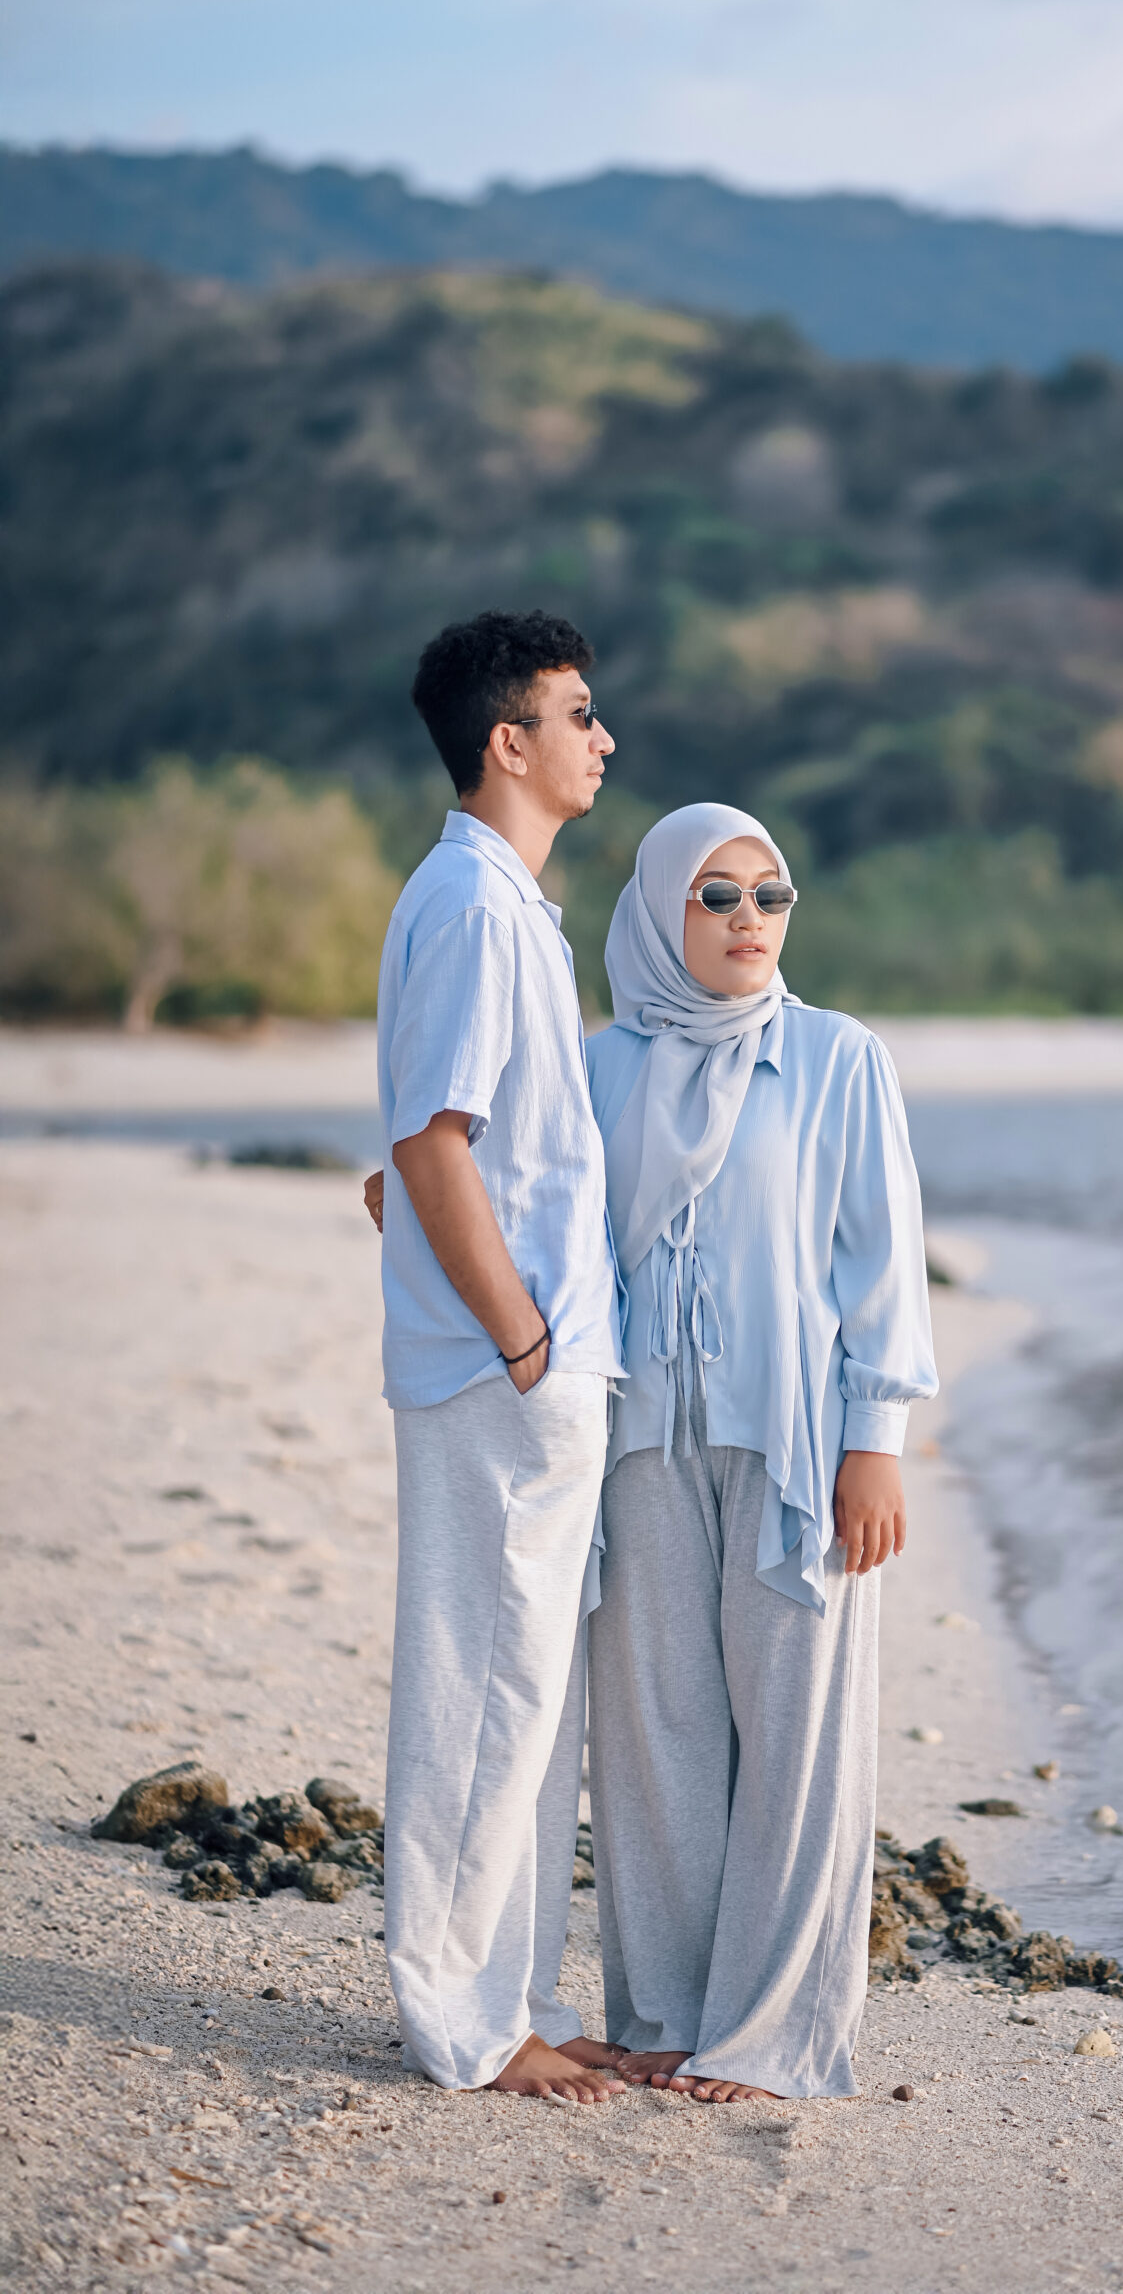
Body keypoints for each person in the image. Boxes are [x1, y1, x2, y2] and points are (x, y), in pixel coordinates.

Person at [582, 802, 938, 2103]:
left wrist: (876, 1440)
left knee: (799, 1741)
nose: (749, 920)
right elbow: (530, 1208)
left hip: (796, 1445)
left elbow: (880, 1259)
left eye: (770, 895)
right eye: (718, 895)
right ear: (658, 911)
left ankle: (774, 2034)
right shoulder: (600, 1066)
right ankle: (667, 2014)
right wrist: (408, 1193)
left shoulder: (839, 1057)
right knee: (653, 1733)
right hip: (637, 1441)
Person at [372, 609, 628, 2105]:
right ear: (506, 741)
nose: (604, 738)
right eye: (579, 713)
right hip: (503, 1368)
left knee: (525, 1699)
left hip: (530, 1358)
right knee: (483, 1693)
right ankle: (464, 2025)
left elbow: (442, 1142)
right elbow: (433, 1140)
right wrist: (524, 1336)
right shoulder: (474, 903)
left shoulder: (502, 901)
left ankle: (508, 2000)